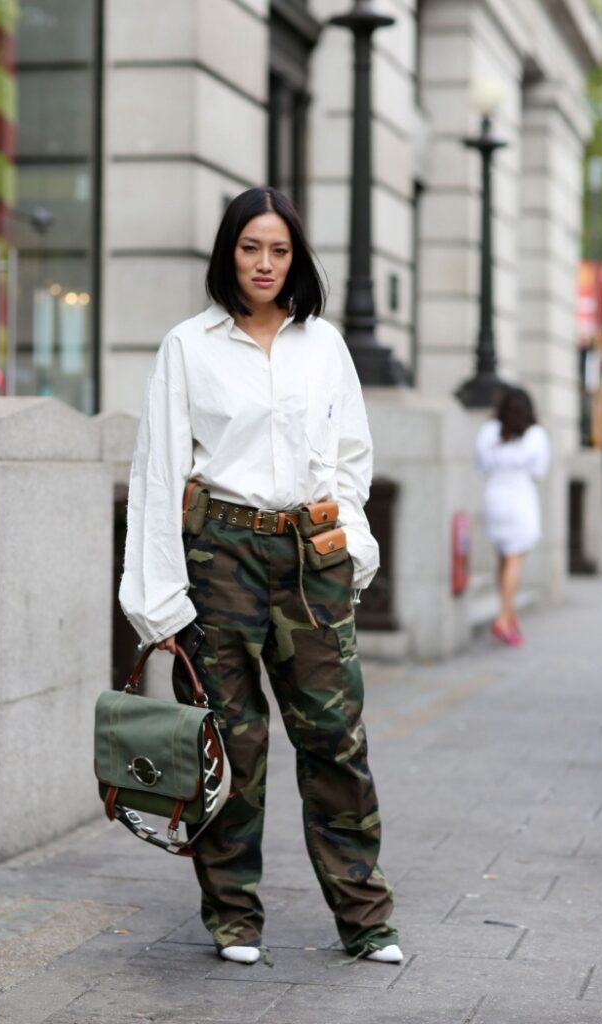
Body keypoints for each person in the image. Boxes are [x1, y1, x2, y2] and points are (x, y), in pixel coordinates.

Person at [119, 186, 402, 966]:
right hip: (220, 559)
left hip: (310, 560)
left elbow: (350, 457)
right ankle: (234, 916)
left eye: (278, 250)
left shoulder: (324, 345)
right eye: (251, 248)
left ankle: (366, 917)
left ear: (296, 257)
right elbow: (158, 469)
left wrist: (350, 541)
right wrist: (159, 595)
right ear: (228, 254)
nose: (265, 264)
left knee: (335, 741)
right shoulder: (189, 345)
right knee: (226, 744)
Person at [475, 386, 550, 646]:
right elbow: (539, 470)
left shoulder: (488, 431)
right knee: (515, 558)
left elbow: (481, 465)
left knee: (504, 558)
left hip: (495, 497)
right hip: (520, 498)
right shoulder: (536, 434)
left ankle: (509, 615)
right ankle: (504, 618)